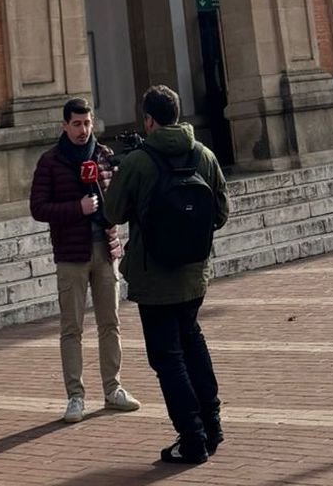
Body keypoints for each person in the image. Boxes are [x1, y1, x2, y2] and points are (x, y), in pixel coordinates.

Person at [103, 85, 230, 467]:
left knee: (168, 358)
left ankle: (191, 438)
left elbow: (112, 213)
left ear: (148, 120)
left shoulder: (139, 162)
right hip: (194, 273)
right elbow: (221, 214)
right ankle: (213, 424)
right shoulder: (204, 154)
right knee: (193, 343)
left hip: (154, 276)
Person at [28, 97, 140, 425]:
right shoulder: (50, 162)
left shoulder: (103, 155)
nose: (83, 130)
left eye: (87, 123)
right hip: (71, 255)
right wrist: (77, 208)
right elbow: (38, 208)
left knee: (110, 323)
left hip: (105, 250)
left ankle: (113, 389)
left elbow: (118, 202)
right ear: (64, 125)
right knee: (72, 328)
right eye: (76, 124)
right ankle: (75, 396)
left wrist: (117, 188)